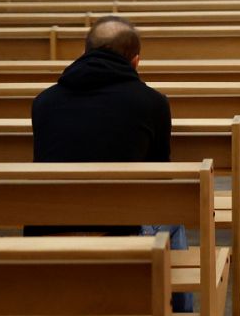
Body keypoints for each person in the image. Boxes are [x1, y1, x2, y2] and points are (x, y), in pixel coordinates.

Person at [27, 15, 172, 235]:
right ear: (135, 62)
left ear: (85, 54)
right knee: (173, 218)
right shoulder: (153, 103)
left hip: (47, 232)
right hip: (122, 234)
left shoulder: (43, 102)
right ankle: (170, 268)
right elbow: (160, 176)